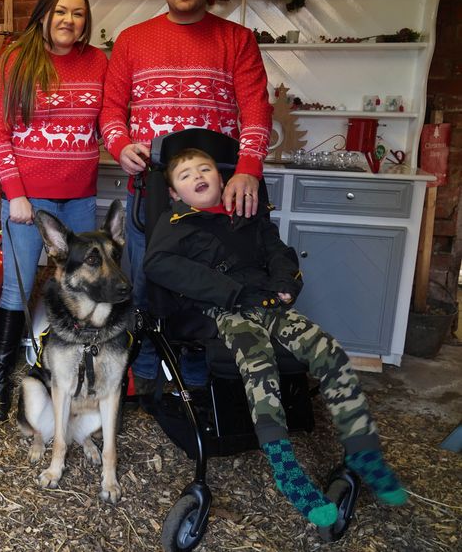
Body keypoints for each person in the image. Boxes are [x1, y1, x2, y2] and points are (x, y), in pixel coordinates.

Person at [144, 147, 406, 527]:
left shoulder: (248, 213)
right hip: (226, 308)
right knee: (258, 360)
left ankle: (364, 451)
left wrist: (284, 284)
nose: (197, 176)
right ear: (174, 193)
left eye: (205, 168)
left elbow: (280, 252)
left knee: (330, 352)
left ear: (222, 178)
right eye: (185, 175)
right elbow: (158, 265)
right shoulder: (177, 222)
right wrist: (231, 291)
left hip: (271, 302)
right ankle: (286, 470)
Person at [98, 0, 273, 390]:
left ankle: (193, 383)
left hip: (211, 194)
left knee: (203, 286)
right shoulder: (133, 40)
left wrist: (249, 166)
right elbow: (111, 111)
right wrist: (120, 146)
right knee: (143, 284)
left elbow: (256, 110)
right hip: (152, 189)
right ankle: (145, 377)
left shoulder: (237, 40)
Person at [0, 0, 109, 420]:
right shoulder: (15, 61)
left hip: (79, 195)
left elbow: (110, 116)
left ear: (85, 21)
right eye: (60, 11)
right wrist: (16, 194)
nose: (68, 20)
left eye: (77, 13)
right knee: (18, 286)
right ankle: (0, 374)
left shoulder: (97, 61)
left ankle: (71, 369)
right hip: (29, 197)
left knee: (79, 286)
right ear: (43, 15)